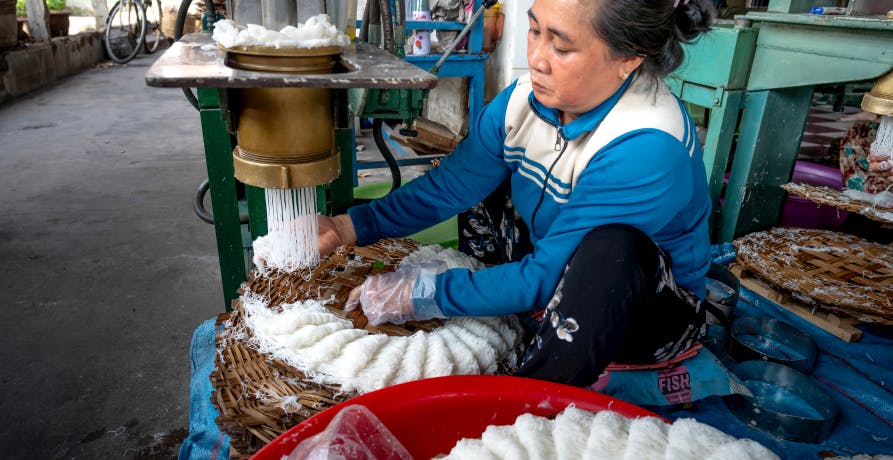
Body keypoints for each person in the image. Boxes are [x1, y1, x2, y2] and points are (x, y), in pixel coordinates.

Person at [319, 0, 716, 387]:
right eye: (533, 30)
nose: (538, 60)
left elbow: (550, 276)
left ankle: (533, 393)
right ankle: (502, 307)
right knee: (484, 182)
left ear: (629, 58)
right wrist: (347, 227)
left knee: (612, 249)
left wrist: (423, 294)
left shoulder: (647, 144)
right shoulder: (524, 100)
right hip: (551, 258)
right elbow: (453, 185)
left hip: (638, 312)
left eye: (561, 47)